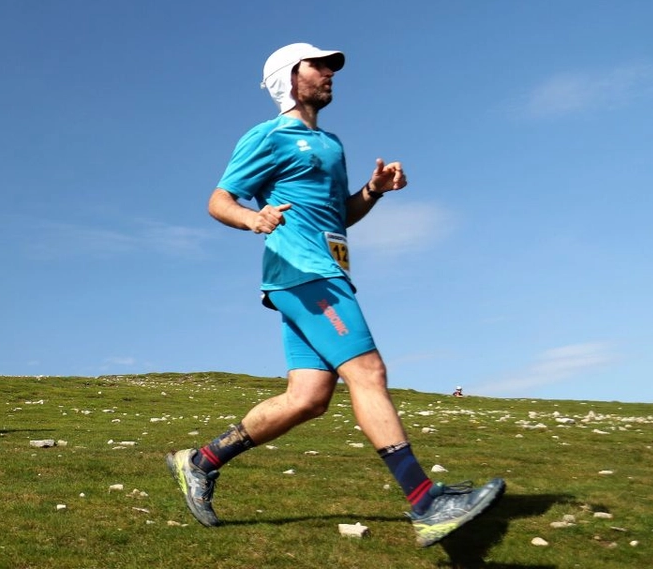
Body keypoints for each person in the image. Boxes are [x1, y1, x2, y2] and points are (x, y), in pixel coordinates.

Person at [166, 43, 504, 548]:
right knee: (368, 372)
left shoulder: (332, 144)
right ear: (288, 77)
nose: (329, 73)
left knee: (307, 399)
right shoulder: (268, 136)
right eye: (318, 65)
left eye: (330, 66)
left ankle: (200, 461)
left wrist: (372, 192)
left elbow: (336, 217)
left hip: (324, 272)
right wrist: (252, 218)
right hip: (301, 272)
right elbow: (219, 199)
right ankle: (425, 502)